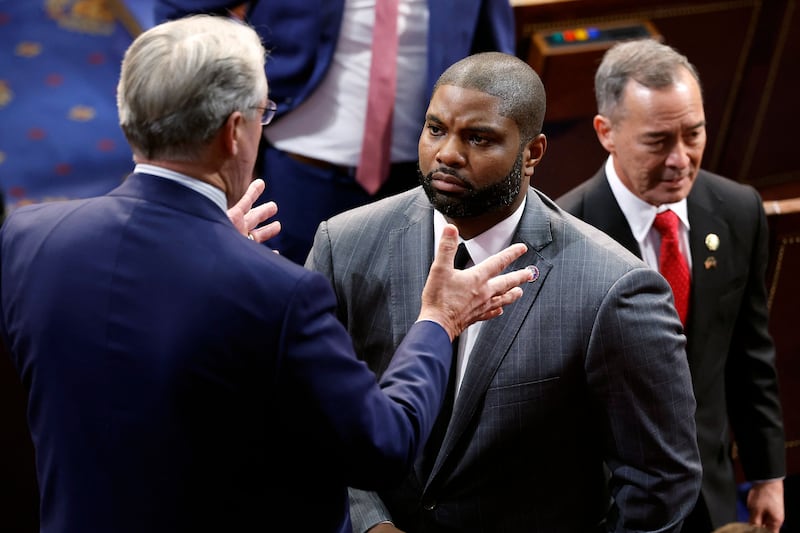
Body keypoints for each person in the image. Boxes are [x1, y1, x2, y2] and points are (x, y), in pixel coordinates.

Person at [0, 16, 535, 533]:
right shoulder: (278, 293)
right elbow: (384, 446)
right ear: (236, 131)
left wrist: (207, 248)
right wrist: (438, 320)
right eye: (264, 114)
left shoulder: (28, 238)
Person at [305, 51, 703, 532]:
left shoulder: (613, 288)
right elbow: (312, 414)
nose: (448, 153)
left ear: (532, 153)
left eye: (479, 138)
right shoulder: (343, 244)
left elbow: (661, 482)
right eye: (435, 130)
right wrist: (369, 522)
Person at [556, 39, 786, 533]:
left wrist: (768, 474)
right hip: (606, 503)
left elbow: (750, 356)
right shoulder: (562, 235)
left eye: (694, 134)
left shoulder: (738, 210)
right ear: (606, 132)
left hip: (712, 495)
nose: (682, 159)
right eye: (659, 141)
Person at [154, 0, 515, 264]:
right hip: (302, 167)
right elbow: (183, 11)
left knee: (406, 316)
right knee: (285, 313)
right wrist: (239, 80)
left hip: (424, 179)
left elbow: (496, 67)